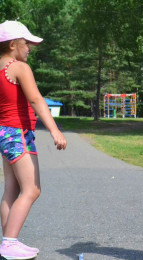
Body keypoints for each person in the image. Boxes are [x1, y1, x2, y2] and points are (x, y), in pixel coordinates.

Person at [0, 20, 67, 259]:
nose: (30, 47)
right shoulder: (19, 68)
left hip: (5, 133)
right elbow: (37, 100)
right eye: (26, 42)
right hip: (18, 133)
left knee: (12, 188)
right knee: (32, 189)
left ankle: (9, 242)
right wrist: (55, 130)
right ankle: (9, 242)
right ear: (11, 45)